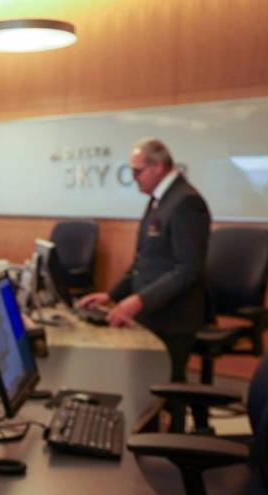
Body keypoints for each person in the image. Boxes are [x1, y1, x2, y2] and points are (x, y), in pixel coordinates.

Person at [77, 139, 211, 430]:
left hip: (173, 316)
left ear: (158, 167)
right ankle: (142, 435)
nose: (133, 178)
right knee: (140, 381)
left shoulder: (186, 202)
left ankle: (171, 447)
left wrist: (138, 301)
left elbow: (188, 270)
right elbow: (144, 262)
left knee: (164, 386)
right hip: (153, 308)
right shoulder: (160, 200)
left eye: (137, 171)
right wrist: (111, 295)